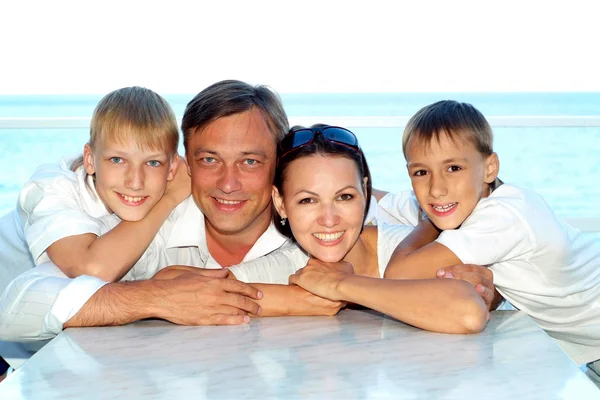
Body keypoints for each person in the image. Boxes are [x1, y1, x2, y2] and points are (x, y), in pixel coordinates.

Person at [0, 80, 347, 348]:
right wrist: (155, 296)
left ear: (278, 166)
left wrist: (191, 292)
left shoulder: (317, 220)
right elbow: (18, 305)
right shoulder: (149, 224)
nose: (228, 183)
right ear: (183, 165)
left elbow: (383, 232)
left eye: (250, 161)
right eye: (209, 159)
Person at [377, 100, 600, 367]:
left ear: (490, 168)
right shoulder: (455, 200)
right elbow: (375, 202)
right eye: (421, 172)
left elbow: (399, 275)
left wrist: (427, 221)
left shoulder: (505, 215)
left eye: (454, 168)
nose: (436, 189)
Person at [205, 124, 489, 333]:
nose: (329, 219)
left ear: (365, 192)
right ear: (281, 203)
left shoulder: (408, 249)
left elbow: (468, 313)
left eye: (344, 197)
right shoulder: (285, 265)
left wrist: (340, 286)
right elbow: (177, 282)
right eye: (307, 200)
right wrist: (299, 299)